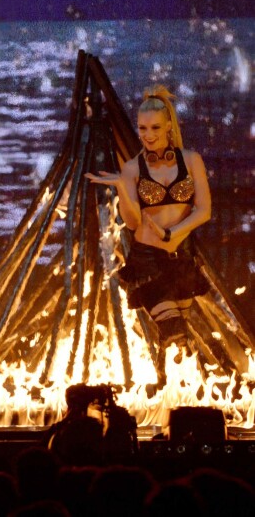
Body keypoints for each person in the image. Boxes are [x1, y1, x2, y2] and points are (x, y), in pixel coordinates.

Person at [85, 85, 211, 386]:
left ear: (169, 125)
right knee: (173, 328)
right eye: (142, 128)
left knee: (180, 341)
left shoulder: (191, 160)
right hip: (147, 261)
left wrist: (173, 233)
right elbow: (130, 221)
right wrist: (121, 187)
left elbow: (203, 210)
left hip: (181, 259)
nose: (148, 134)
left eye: (155, 127)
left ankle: (166, 388)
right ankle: (164, 387)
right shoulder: (132, 168)